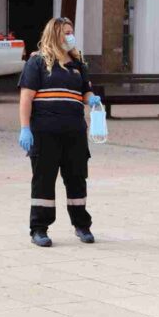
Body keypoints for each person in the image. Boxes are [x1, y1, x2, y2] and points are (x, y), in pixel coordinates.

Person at [17, 17, 102, 247]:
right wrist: (25, 128)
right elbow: (26, 97)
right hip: (45, 133)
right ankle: (39, 229)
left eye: (71, 32)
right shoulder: (37, 63)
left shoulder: (77, 64)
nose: (70, 36)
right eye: (66, 32)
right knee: (44, 180)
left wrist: (91, 99)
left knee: (76, 179)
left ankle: (82, 225)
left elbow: (85, 92)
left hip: (74, 133)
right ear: (54, 34)